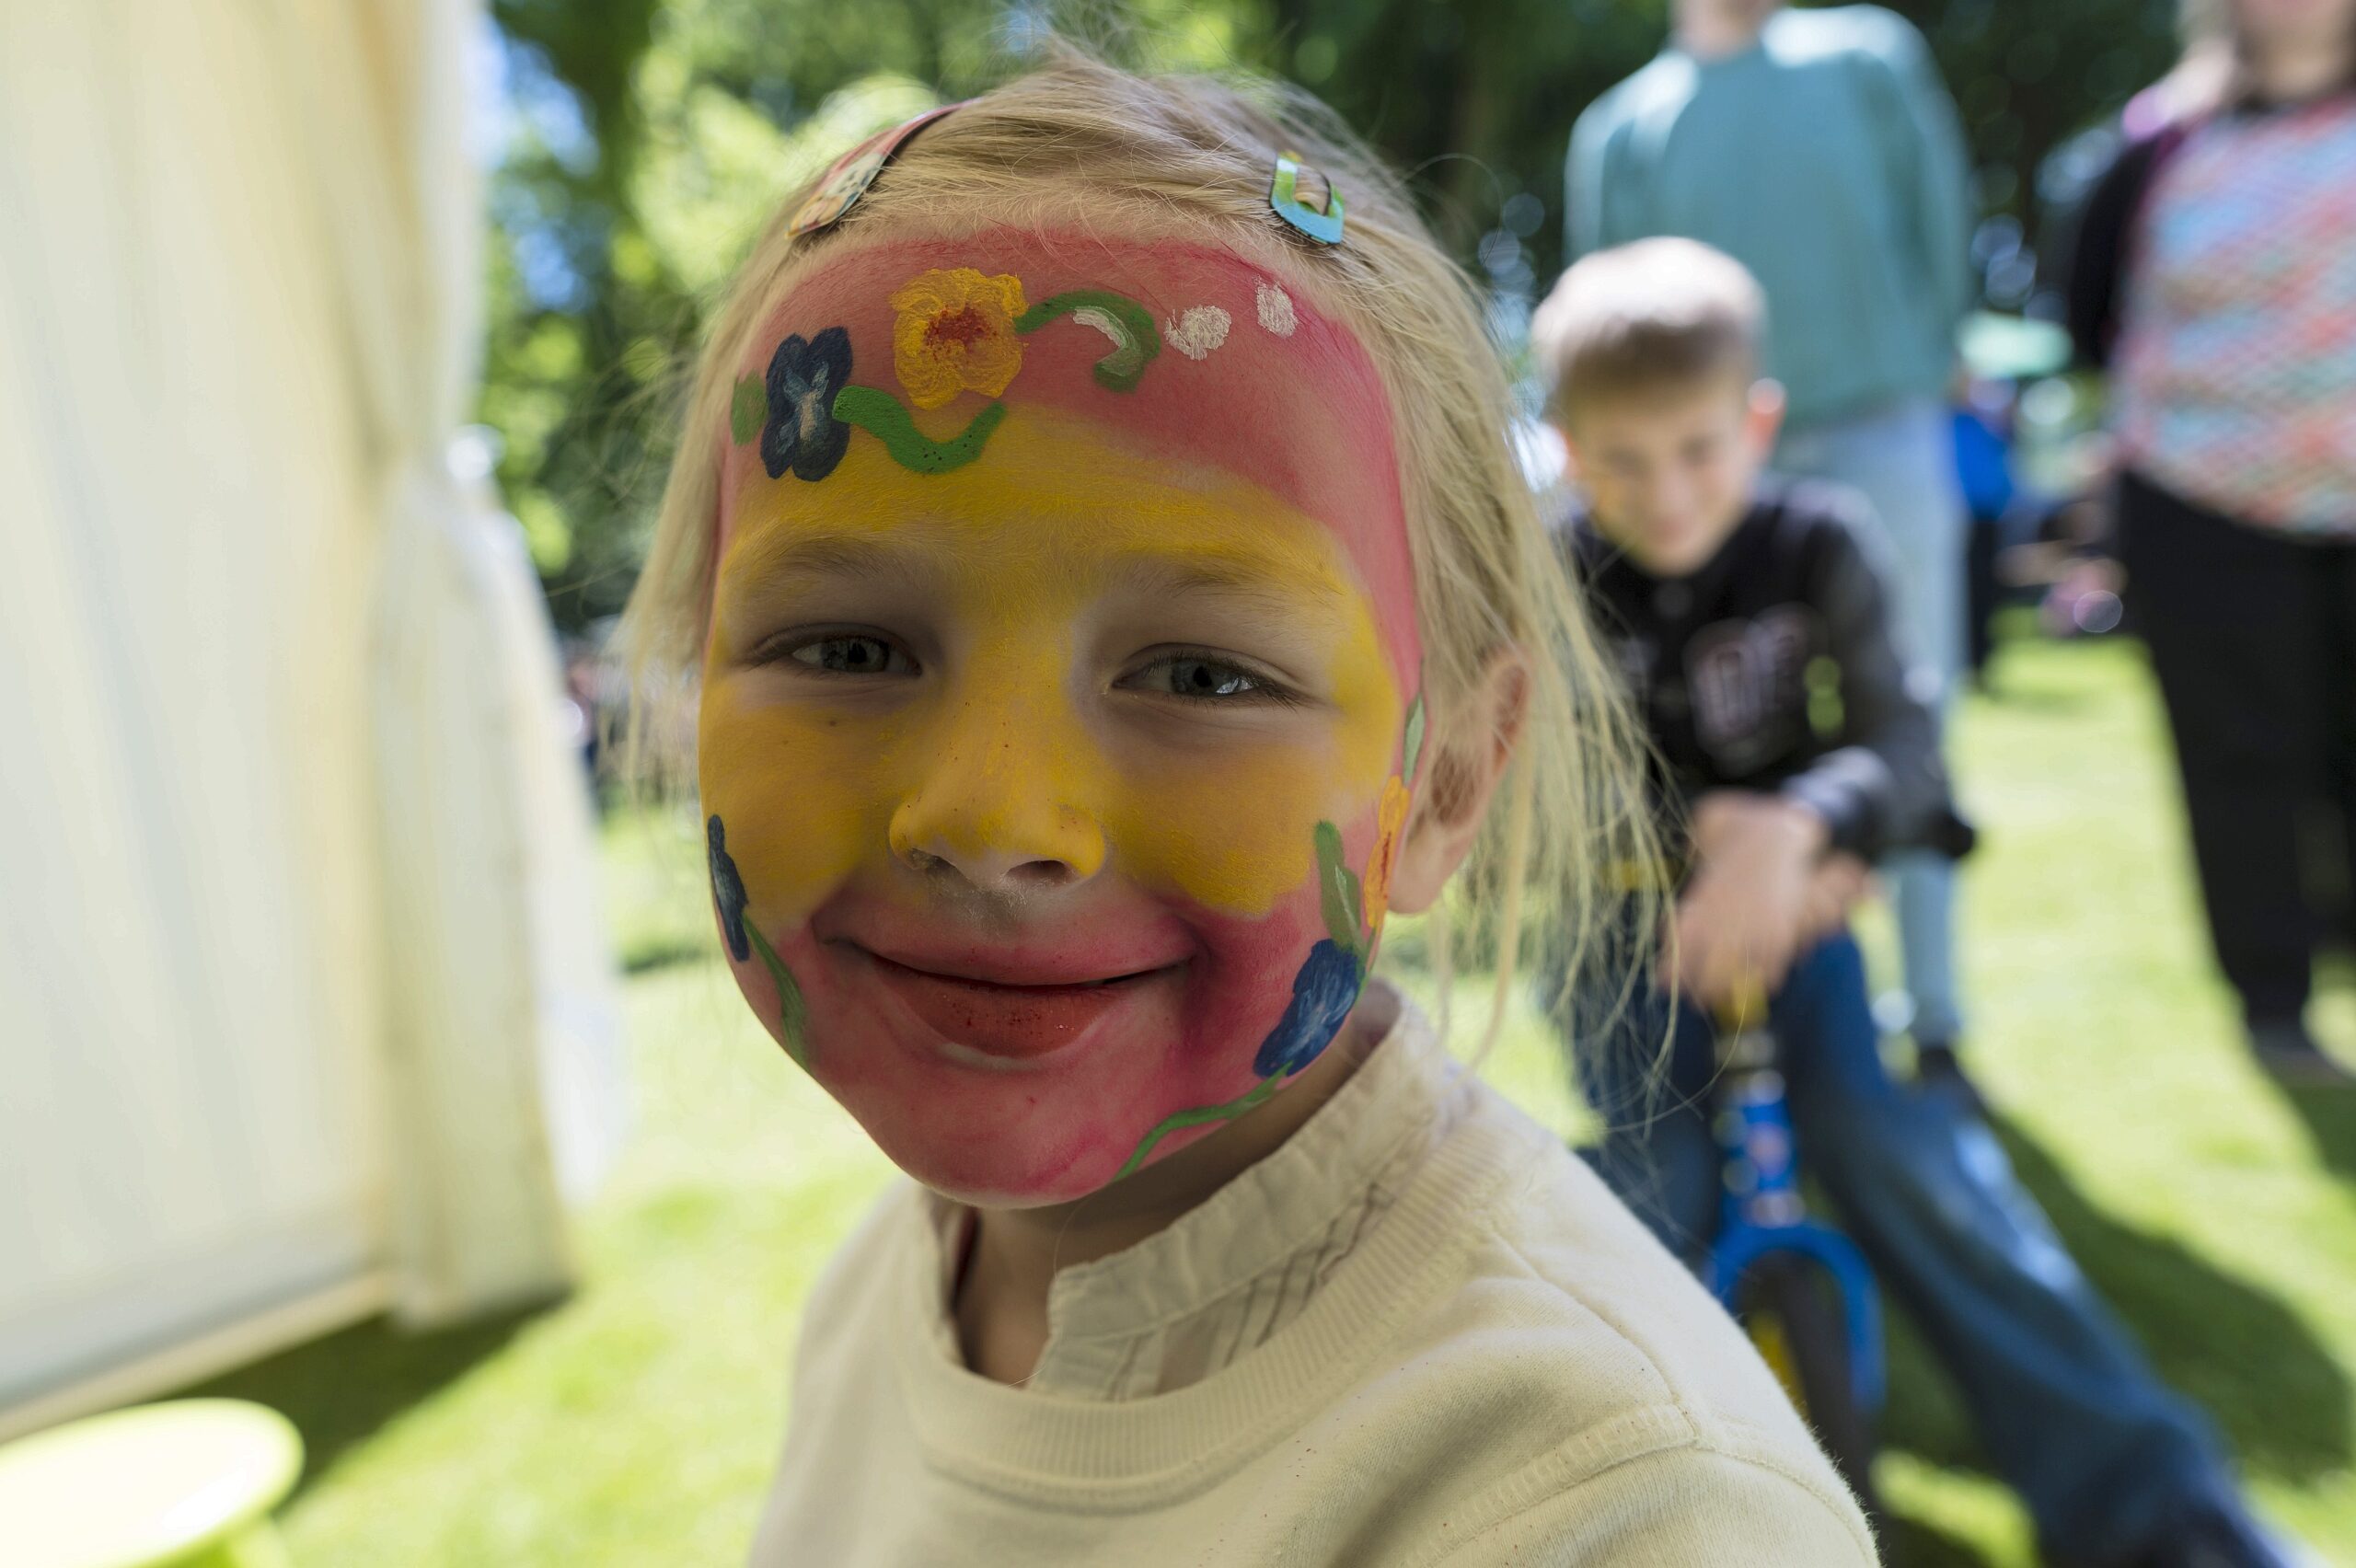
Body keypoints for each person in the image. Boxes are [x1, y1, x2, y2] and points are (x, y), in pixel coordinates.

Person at [619, 52, 1877, 1566]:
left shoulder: (1613, 1500)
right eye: (845, 648)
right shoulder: (888, 1288)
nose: (990, 814)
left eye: (1201, 673)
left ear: (1453, 780)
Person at [1533, 238, 2300, 1568]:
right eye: (1622, 461)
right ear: (1565, 446)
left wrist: (1806, 832)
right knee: (1653, 1191)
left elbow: (1908, 753)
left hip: (1805, 933)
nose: (1665, 497)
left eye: (1700, 451)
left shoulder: (1816, 540)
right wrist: (1703, 836)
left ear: (1759, 421)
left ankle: (2165, 1517)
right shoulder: (1548, 572)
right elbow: (1521, 783)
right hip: (1624, 944)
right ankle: (1645, 1529)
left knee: (1908, 1162)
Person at [1565, 0, 1979, 1089]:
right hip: (1698, 474)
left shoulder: (1866, 56)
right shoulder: (1623, 127)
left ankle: (1931, 1026)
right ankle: (1744, 1023)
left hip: (1881, 425)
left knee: (1911, 706)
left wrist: (1936, 358)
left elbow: (1936, 221)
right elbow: (1609, 327)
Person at [2061, 0, 2356, 1087]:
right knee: (2241, 764)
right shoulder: (2161, 138)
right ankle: (2274, 1008)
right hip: (2201, 500)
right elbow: (2084, 311)